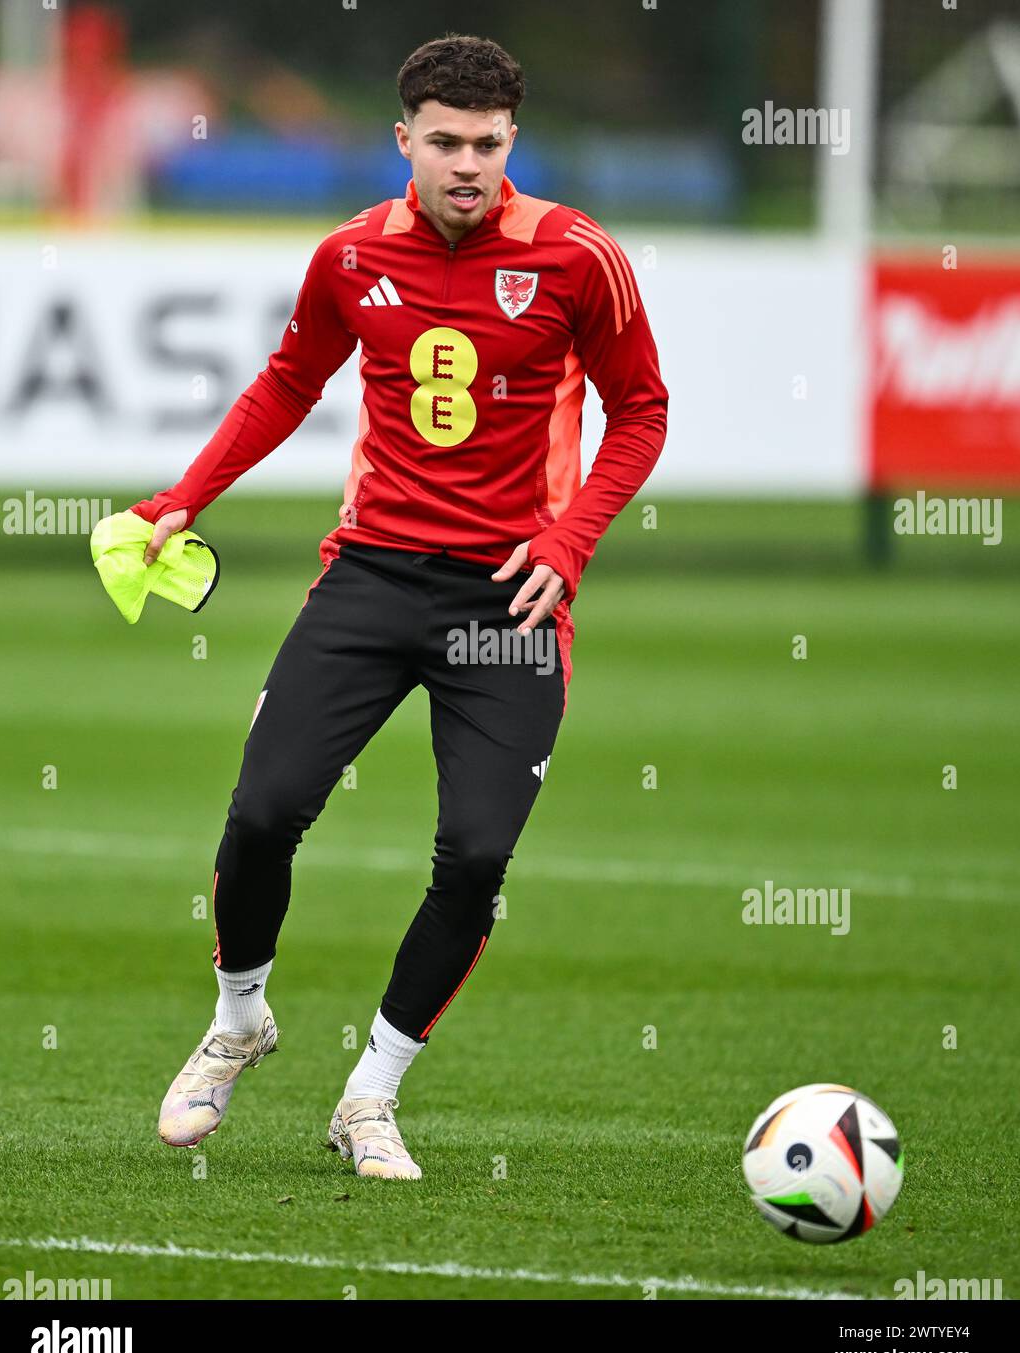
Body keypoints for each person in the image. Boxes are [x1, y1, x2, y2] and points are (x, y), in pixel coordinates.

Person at [136, 33, 668, 1180]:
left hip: (510, 599)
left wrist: (569, 543)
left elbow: (642, 411)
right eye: (444, 142)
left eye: (486, 143)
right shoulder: (349, 256)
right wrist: (184, 498)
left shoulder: (579, 258)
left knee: (474, 856)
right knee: (265, 811)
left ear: (510, 140)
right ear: (404, 142)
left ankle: (369, 1094)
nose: (466, 164)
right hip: (372, 572)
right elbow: (288, 379)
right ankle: (240, 1019)